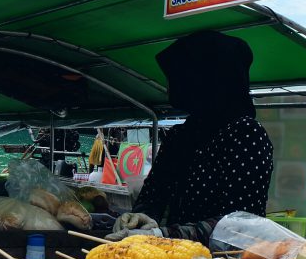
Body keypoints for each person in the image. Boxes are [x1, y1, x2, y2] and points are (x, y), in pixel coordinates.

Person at [107, 31, 274, 244]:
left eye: (179, 75)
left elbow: (240, 223)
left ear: (207, 77)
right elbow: (153, 196)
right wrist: (140, 217)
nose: (170, 86)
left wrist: (164, 235)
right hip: (171, 258)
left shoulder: (246, 135)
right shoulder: (180, 136)